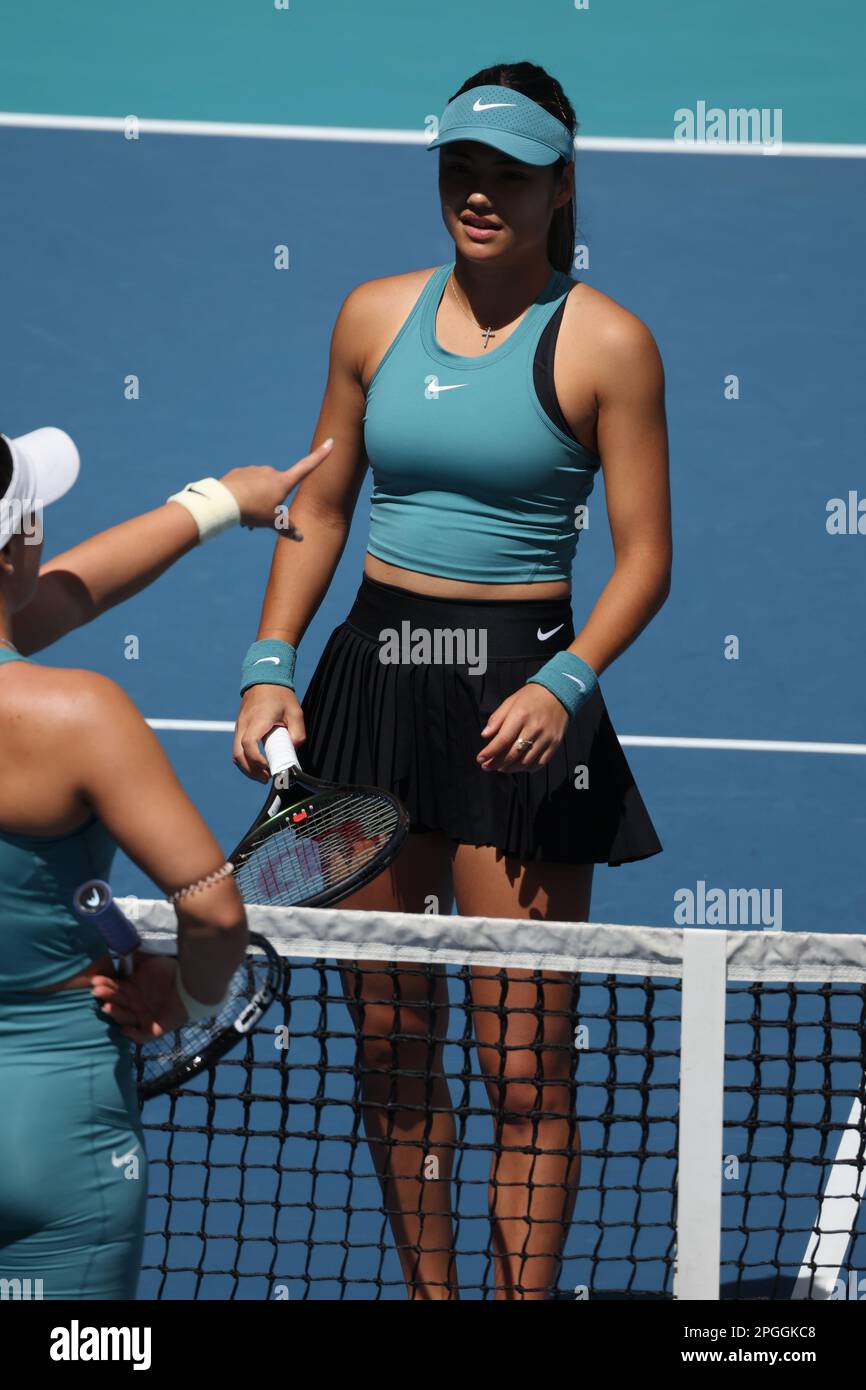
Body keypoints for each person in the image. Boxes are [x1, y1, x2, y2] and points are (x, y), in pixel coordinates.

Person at [234, 61, 671, 1300]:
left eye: (509, 175)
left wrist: (570, 682)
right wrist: (270, 666)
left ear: (559, 187)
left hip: (519, 695)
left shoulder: (606, 344)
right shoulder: (371, 315)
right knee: (390, 1043)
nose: (479, 194)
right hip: (373, 678)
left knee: (523, 1065)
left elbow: (645, 557)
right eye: (460, 169)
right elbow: (318, 505)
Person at [0, 425, 331, 1298]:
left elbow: (61, 596)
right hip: (51, 1130)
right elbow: (216, 914)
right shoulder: (78, 717)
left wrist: (221, 501)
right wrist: (184, 995)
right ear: (11, 553)